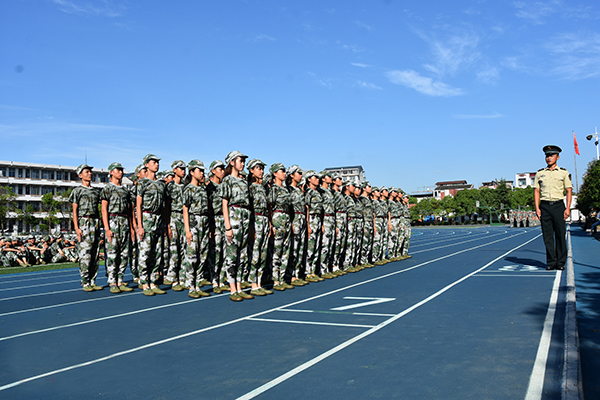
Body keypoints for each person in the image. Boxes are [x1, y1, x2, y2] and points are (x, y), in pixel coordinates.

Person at [221, 151, 254, 302]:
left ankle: (240, 287)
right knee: (232, 255)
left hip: (245, 216)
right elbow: (225, 203)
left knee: (242, 255)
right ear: (232, 162)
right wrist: (228, 226)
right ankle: (233, 288)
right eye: (240, 160)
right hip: (234, 216)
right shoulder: (227, 180)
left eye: (243, 161)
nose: (243, 163)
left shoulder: (243, 181)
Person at [534, 145, 573, 271]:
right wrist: (537, 208)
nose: (549, 158)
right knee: (548, 236)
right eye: (547, 155)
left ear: (558, 157)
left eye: (551, 155)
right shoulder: (540, 173)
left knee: (560, 235)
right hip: (545, 206)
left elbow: (568, 190)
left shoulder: (563, 172)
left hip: (558, 206)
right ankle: (551, 262)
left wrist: (567, 208)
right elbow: (536, 191)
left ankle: (560, 262)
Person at [100, 162, 134, 294]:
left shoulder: (125, 190)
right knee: (112, 253)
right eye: (117, 170)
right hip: (113, 220)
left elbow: (130, 210)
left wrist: (131, 227)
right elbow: (104, 209)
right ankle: (112, 281)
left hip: (124, 221)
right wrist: (107, 228)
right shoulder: (107, 189)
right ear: (111, 172)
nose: (120, 172)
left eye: (121, 170)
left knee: (124, 254)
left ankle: (120, 280)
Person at [136, 154, 167, 296]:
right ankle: (144, 282)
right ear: (146, 165)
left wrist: (164, 224)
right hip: (147, 216)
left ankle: (153, 281)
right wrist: (140, 225)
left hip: (158, 218)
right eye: (153, 162)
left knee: (157, 252)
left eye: (157, 162)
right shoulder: (142, 183)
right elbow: (138, 205)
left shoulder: (161, 184)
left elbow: (164, 206)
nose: (156, 164)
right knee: (145, 252)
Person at [69, 164, 103, 292]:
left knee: (95, 253)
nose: (90, 174)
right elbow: (74, 210)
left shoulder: (96, 191)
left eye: (90, 172)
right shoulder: (77, 191)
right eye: (87, 172)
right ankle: (85, 281)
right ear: (80, 175)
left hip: (95, 222)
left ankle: (93, 280)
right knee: (85, 253)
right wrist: (77, 228)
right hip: (84, 221)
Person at [182, 160, 211, 299]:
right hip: (194, 222)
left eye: (203, 171)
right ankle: (191, 286)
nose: (202, 173)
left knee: (202, 255)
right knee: (192, 255)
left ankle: (198, 284)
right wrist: (187, 230)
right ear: (192, 172)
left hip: (204, 223)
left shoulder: (203, 189)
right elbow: (185, 210)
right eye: (199, 170)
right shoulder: (188, 189)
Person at [247, 159, 272, 296]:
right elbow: (249, 208)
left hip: (264, 220)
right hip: (255, 219)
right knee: (255, 253)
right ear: (251, 170)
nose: (261, 171)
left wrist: (269, 223)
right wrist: (251, 226)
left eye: (262, 169)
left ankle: (259, 282)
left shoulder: (262, 188)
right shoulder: (249, 187)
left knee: (263, 253)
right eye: (258, 168)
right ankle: (253, 284)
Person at [268, 163, 294, 291]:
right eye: (281, 171)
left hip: (286, 219)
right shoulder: (273, 189)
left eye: (284, 171)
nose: (284, 173)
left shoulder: (285, 189)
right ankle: (275, 279)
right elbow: (269, 206)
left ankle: (282, 278)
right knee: (277, 251)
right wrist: (270, 224)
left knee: (285, 250)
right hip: (277, 218)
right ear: (274, 173)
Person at [165, 160, 186, 290]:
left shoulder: (185, 186)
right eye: (181, 168)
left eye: (184, 169)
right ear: (174, 170)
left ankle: (182, 277)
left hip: (184, 218)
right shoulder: (170, 187)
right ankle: (172, 278)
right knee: (174, 249)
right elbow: (166, 206)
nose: (183, 171)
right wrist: (167, 225)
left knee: (184, 248)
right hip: (173, 216)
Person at [286, 165, 308, 286]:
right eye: (298, 173)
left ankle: (298, 273)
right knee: (293, 248)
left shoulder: (299, 190)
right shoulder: (288, 190)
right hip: (294, 218)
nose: (301, 175)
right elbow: (288, 207)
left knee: (300, 247)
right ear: (291, 175)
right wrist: (291, 222)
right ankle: (291, 274)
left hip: (302, 219)